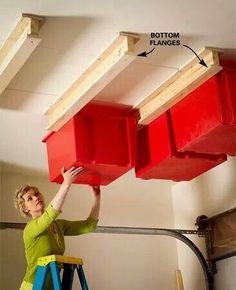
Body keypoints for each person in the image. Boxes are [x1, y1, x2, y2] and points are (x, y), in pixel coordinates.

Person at [14, 166, 101, 290]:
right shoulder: (30, 229)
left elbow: (89, 226)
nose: (36, 197)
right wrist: (66, 183)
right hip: (32, 286)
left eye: (37, 194)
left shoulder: (58, 225)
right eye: (30, 198)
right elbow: (50, 213)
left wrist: (96, 197)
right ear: (25, 209)